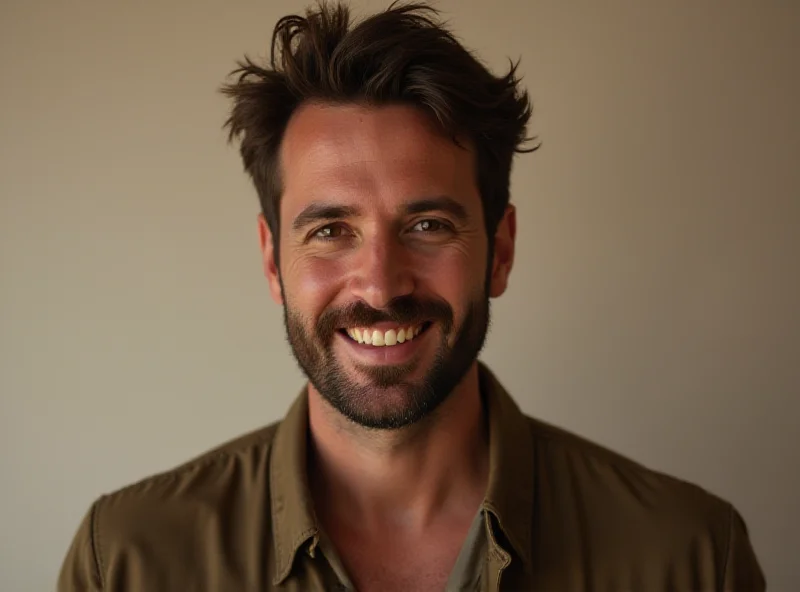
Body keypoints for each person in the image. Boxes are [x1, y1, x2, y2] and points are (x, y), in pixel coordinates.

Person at [58, 2, 765, 591]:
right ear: (273, 260)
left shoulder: (693, 559)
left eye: (427, 225)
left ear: (501, 249)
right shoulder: (126, 562)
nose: (380, 284)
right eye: (332, 229)